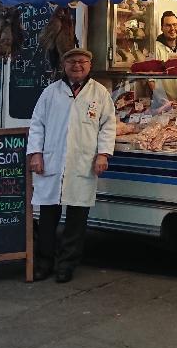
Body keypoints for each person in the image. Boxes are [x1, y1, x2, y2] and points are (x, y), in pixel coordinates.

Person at [27, 48, 115, 283]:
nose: (77, 65)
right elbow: (37, 124)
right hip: (51, 162)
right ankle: (44, 262)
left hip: (82, 163)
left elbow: (108, 125)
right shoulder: (50, 92)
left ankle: (67, 264)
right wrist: (35, 153)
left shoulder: (100, 93)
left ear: (90, 64)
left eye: (82, 61)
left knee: (77, 219)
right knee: (47, 218)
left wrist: (103, 155)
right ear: (64, 65)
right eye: (72, 62)